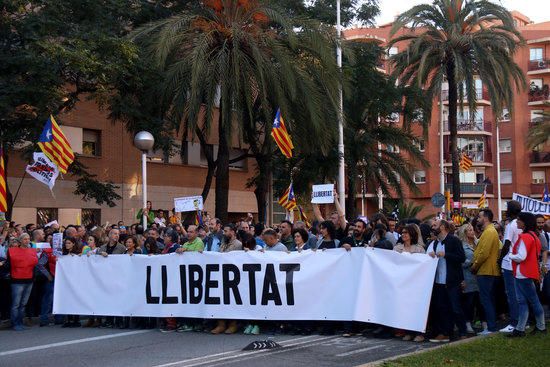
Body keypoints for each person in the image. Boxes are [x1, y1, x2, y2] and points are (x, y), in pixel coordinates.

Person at [508, 212, 547, 337]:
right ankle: (521, 329)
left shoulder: (525, 237)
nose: (517, 222)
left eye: (519, 220)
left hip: (523, 273)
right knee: (526, 301)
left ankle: (539, 327)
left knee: (530, 301)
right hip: (527, 272)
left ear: (524, 222)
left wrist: (510, 255)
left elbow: (521, 257)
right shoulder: (534, 236)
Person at [428, 220, 467, 343]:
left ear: (443, 227)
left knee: (455, 307)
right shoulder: (435, 243)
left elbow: (461, 257)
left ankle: (462, 331)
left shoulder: (454, 241)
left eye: (436, 225)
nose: (434, 228)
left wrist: (446, 255)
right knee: (442, 308)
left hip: (452, 281)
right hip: (439, 281)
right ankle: (446, 332)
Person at [471, 209, 501, 335]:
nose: (477, 219)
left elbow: (484, 253)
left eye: (480, 217)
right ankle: (491, 326)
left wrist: (475, 266)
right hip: (486, 270)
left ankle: (491, 327)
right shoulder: (489, 231)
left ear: (486, 218)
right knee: (488, 299)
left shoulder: (489, 232)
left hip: (486, 270)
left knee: (486, 300)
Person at [211, 224, 242, 335]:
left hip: (233, 276)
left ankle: (233, 324)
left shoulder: (238, 244)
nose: (224, 233)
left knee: (232, 300)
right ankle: (221, 324)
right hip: (222, 274)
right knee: (221, 299)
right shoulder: (224, 243)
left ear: (233, 232)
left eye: (226, 231)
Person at [5, 234, 38, 331]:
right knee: (16, 304)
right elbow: (11, 263)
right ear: (20, 240)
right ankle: (15, 323)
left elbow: (35, 263)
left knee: (23, 303)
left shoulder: (32, 251)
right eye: (25, 239)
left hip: (29, 279)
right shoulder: (12, 251)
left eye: (28, 239)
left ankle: (19, 322)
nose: (27, 241)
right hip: (17, 280)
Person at [457, 224, 485, 335]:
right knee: (469, 302)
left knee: (481, 302)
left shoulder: (477, 243)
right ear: (464, 232)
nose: (472, 232)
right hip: (468, 277)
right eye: (469, 230)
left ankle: (484, 322)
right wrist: (472, 261)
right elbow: (460, 262)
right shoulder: (461, 246)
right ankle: (467, 323)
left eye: (472, 229)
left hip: (480, 276)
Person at [499, 200, 523, 333]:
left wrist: (499, 259)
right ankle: (522, 321)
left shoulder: (511, 225)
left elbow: (507, 244)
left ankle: (514, 323)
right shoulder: (522, 224)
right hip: (519, 262)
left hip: (509, 263)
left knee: (511, 294)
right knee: (519, 294)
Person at [61, 237, 83, 327]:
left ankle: (76, 320)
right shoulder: (63, 254)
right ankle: (69, 319)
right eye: (66, 243)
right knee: (67, 299)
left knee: (75, 299)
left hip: (75, 280)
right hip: (66, 280)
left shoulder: (78, 254)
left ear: (73, 244)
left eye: (69, 243)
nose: (67, 245)